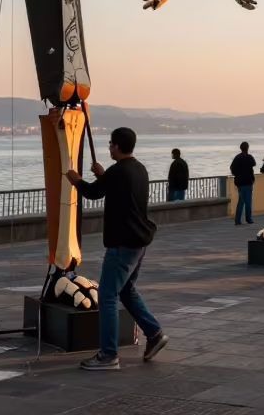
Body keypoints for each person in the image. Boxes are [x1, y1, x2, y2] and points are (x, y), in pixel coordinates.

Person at [66, 127, 166, 370]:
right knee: (127, 290)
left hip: (123, 243)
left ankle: (108, 355)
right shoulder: (138, 169)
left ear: (118, 146)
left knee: (108, 296)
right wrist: (103, 175)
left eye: (111, 144)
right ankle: (154, 333)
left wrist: (75, 179)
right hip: (139, 240)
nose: (109, 147)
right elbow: (121, 192)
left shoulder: (118, 171)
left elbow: (92, 193)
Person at [230, 142, 256, 224]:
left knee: (241, 201)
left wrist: (237, 175)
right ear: (247, 148)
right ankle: (248, 218)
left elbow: (232, 168)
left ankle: (238, 219)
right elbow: (253, 164)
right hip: (248, 181)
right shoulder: (249, 157)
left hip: (240, 182)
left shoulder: (237, 158)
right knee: (248, 201)